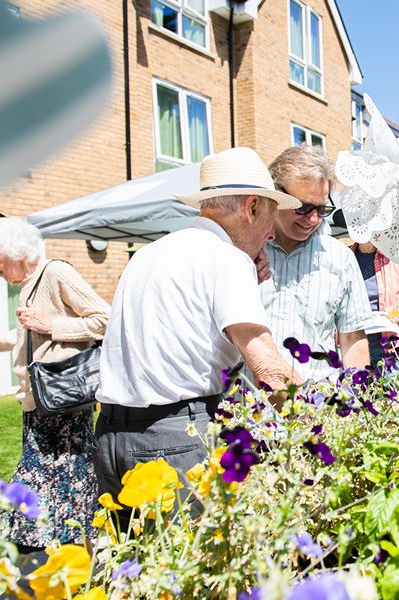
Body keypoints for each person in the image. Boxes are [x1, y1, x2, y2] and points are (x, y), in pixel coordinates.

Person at [94, 147, 301, 513]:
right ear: (251, 207)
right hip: (176, 441)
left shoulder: (147, 253)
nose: (270, 234)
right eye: (271, 216)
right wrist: (316, 429)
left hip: (112, 437)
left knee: (133, 565)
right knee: (191, 565)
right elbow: (269, 371)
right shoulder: (227, 259)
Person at [0, 218, 109, 554]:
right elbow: (26, 337)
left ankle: (54, 550)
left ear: (16, 251)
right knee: (64, 479)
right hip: (42, 403)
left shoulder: (55, 273)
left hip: (63, 400)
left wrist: (52, 325)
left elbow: (106, 318)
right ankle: (69, 548)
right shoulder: (29, 283)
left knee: (51, 477)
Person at [261, 145, 372, 381]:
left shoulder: (340, 259)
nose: (312, 219)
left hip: (317, 406)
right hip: (249, 408)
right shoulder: (246, 252)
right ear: (275, 195)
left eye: (321, 209)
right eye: (302, 208)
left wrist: (356, 399)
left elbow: (353, 340)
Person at [350, 241, 399, 365]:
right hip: (355, 344)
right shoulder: (345, 257)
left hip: (391, 344)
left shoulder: (394, 257)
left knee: (394, 383)